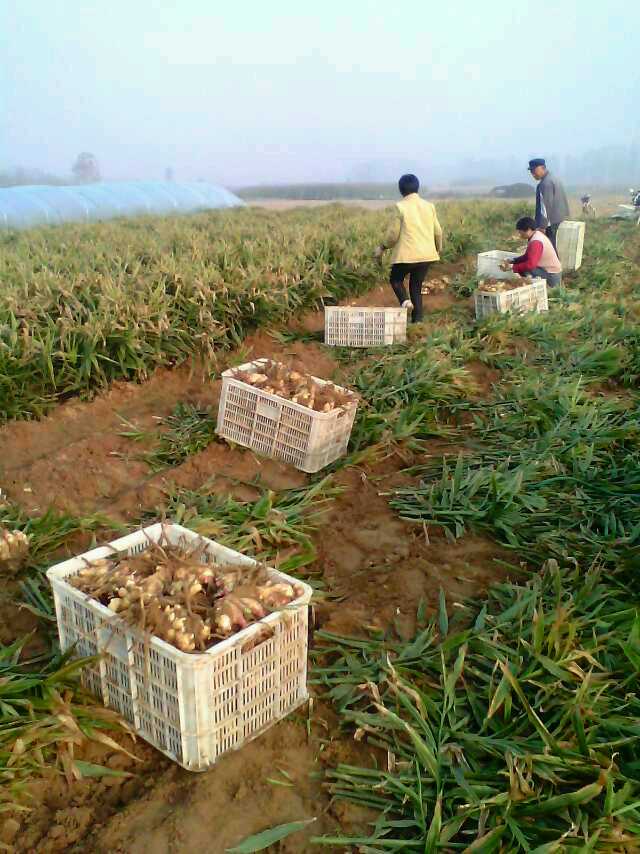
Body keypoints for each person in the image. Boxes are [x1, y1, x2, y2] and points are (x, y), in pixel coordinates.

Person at [374, 174, 443, 323]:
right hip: (427, 255)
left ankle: (405, 302)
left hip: (407, 255)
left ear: (401, 190)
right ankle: (417, 320)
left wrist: (382, 247)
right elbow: (438, 231)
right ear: (417, 187)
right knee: (416, 286)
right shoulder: (429, 206)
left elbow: (393, 235)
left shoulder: (400, 207)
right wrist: (438, 249)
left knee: (396, 280)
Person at [501, 216, 562, 287]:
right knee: (522, 266)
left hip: (551, 275)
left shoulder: (536, 242)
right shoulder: (536, 235)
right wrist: (513, 260)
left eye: (521, 233)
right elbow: (528, 256)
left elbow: (530, 264)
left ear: (529, 230)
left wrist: (512, 267)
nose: (520, 235)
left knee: (525, 269)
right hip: (549, 271)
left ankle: (544, 286)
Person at [528, 158, 570, 252]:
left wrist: (542, 226)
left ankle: (554, 266)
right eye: (531, 171)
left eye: (534, 170)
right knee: (553, 246)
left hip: (549, 222)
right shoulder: (554, 178)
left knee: (549, 248)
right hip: (558, 218)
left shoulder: (545, 184)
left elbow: (545, 207)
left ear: (543, 168)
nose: (533, 174)